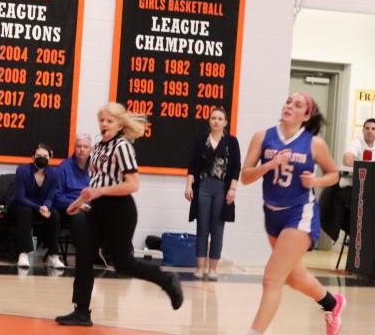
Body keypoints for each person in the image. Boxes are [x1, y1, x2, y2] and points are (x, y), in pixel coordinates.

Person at [56, 103, 183, 327]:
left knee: (123, 263)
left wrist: (100, 192)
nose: (104, 124)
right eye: (102, 120)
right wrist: (78, 202)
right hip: (97, 210)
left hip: (120, 210)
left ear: (119, 124)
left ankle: (167, 280)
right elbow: (94, 184)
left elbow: (132, 185)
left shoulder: (123, 147)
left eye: (109, 121)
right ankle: (82, 311)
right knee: (84, 256)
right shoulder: (98, 147)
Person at [240, 92, 345, 335]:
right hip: (272, 214)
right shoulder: (263, 136)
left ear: (306, 115)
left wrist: (316, 181)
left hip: (300, 213)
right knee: (295, 278)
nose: (289, 106)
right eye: (288, 101)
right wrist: (269, 165)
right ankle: (332, 303)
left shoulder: (313, 143)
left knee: (271, 278)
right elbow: (245, 176)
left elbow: (334, 174)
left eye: (297, 105)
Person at [184, 107, 241, 280]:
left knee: (217, 228)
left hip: (222, 188)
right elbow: (192, 165)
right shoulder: (202, 140)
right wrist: (188, 186)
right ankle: (200, 268)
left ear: (225, 122)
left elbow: (236, 166)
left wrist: (232, 189)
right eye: (213, 118)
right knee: (202, 227)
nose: (216, 121)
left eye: (220, 118)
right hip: (203, 187)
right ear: (209, 121)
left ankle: (213, 269)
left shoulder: (231, 142)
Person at [10, 144, 62, 269]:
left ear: (50, 158)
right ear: (33, 157)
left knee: (54, 215)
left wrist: (46, 207)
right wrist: (39, 207)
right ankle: (23, 254)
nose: (42, 158)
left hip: (41, 206)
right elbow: (20, 197)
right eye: (38, 156)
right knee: (25, 212)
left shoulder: (55, 173)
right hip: (21, 205)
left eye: (45, 156)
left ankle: (53, 255)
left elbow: (51, 197)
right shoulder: (22, 170)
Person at [52, 134, 92, 262]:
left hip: (90, 206)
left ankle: (107, 255)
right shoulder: (64, 167)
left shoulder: (96, 167)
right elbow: (57, 196)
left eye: (85, 146)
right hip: (69, 207)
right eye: (79, 146)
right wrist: (78, 205)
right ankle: (83, 257)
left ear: (90, 149)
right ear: (74, 148)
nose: (82, 149)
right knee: (79, 216)